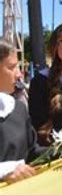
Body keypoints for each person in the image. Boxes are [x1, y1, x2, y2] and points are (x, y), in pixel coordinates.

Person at [0, 42, 44, 184]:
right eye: (12, 67)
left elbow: (32, 152)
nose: (19, 74)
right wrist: (4, 171)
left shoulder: (18, 109)